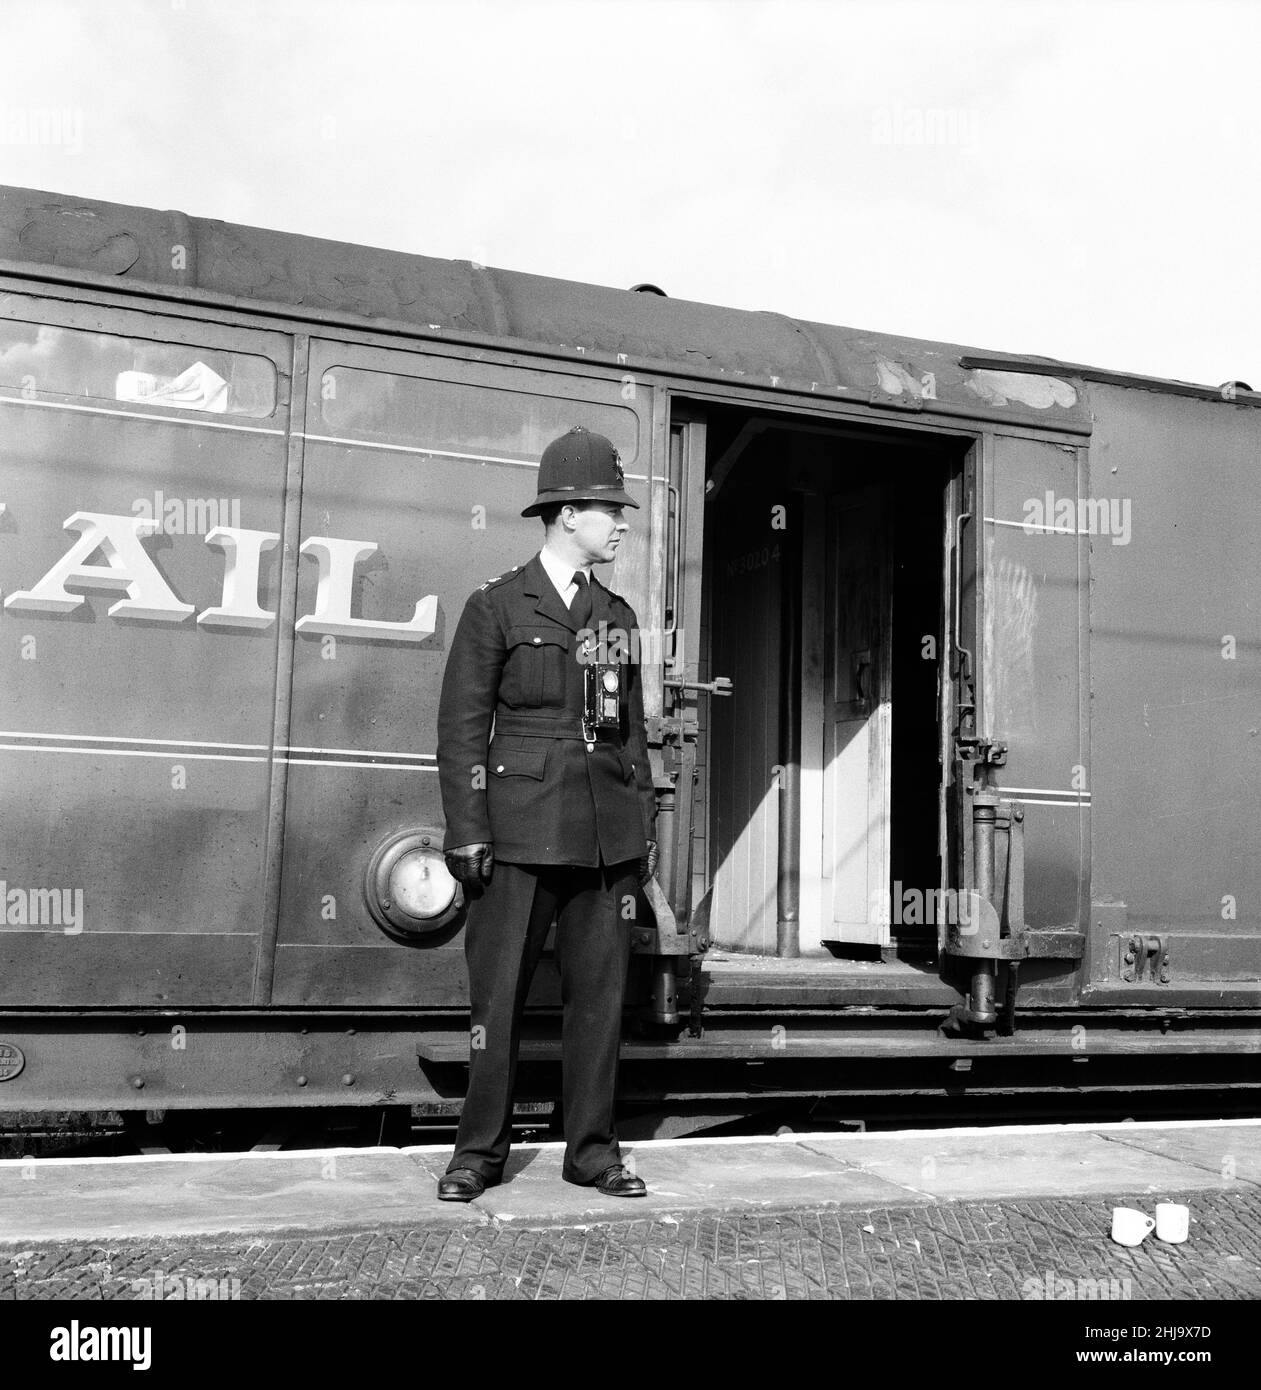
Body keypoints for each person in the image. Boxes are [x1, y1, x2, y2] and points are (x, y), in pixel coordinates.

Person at [435, 425, 659, 1201]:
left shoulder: (617, 616)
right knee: (496, 1002)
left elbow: (628, 729)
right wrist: (466, 831)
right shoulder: (496, 605)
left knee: (598, 1001)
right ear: (568, 513)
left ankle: (591, 1151)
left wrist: (640, 832)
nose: (622, 523)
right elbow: (462, 726)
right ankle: (477, 1154)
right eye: (609, 509)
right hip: (520, 829)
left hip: (603, 836)